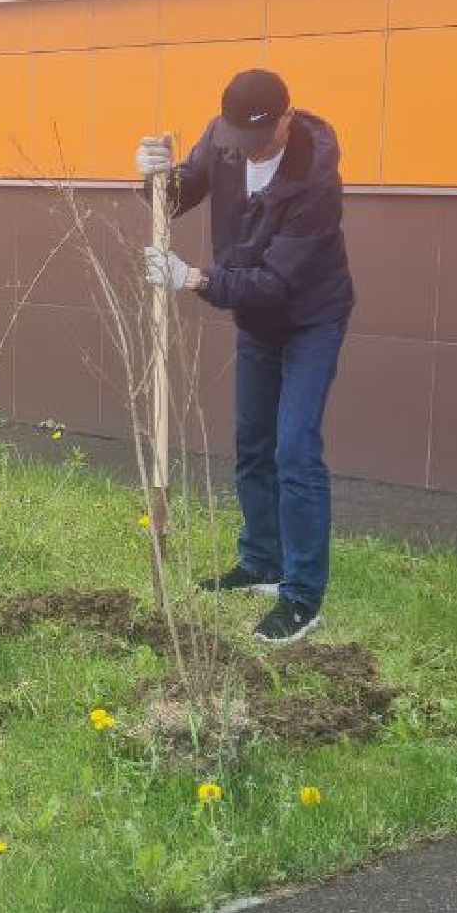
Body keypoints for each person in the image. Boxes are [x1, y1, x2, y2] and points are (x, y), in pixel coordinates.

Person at [139, 68, 354, 645]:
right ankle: (262, 562)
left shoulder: (314, 179)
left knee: (295, 449)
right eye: (240, 137)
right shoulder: (223, 137)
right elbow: (183, 190)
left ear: (287, 117)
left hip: (309, 317)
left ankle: (302, 597)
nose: (249, 148)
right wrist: (157, 178)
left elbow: (278, 283)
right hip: (256, 320)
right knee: (253, 443)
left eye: (260, 138)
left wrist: (192, 278)